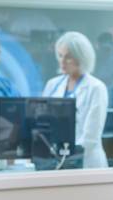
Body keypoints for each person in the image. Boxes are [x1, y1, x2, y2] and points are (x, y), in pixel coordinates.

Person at [43, 32, 108, 169]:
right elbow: (42, 121)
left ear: (81, 58)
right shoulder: (52, 85)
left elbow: (91, 136)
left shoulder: (96, 88)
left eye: (68, 57)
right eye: (60, 56)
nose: (62, 61)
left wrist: (68, 157)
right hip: (57, 159)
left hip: (86, 162)